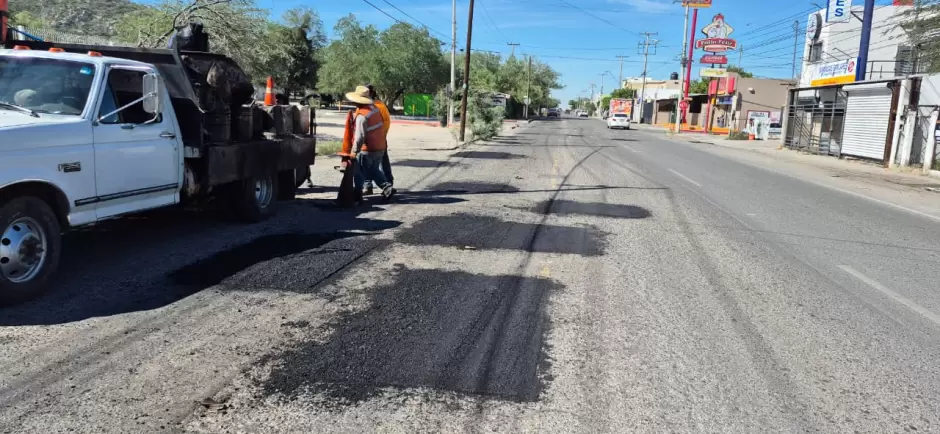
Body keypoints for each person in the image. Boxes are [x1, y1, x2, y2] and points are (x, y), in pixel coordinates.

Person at [345, 85, 395, 202]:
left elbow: (360, 136)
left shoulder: (362, 115)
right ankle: (386, 187)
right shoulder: (375, 109)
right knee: (373, 169)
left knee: (360, 171)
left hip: (368, 148)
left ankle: (358, 195)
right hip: (380, 146)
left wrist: (353, 152)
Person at [362, 84, 393, 195]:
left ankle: (386, 184)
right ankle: (369, 185)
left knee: (369, 163)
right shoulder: (374, 106)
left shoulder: (378, 106)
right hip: (377, 140)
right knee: (373, 163)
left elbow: (386, 122)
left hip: (374, 141)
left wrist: (380, 136)